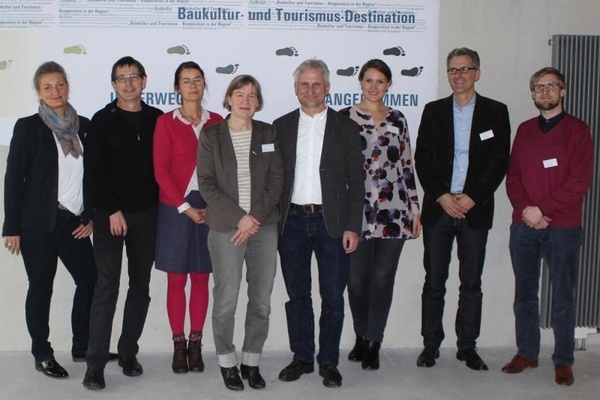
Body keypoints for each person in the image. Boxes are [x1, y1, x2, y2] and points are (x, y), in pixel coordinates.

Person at [414, 47, 510, 371]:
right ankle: (430, 345)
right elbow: (422, 159)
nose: (458, 75)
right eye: (453, 70)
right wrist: (442, 195)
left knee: (471, 284)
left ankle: (467, 346)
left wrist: (471, 197)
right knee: (434, 282)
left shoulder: (496, 112)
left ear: (477, 73)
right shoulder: (434, 111)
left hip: (475, 209)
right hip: (439, 209)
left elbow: (499, 162)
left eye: (465, 69)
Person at [2, 61, 97, 379]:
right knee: (40, 287)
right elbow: (14, 178)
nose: (55, 91)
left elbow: (95, 175)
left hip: (74, 221)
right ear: (39, 92)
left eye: (60, 84)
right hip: (38, 222)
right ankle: (41, 353)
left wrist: (91, 215)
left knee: (90, 280)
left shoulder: (83, 126)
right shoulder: (28, 127)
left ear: (68, 86)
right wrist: (11, 227)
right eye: (48, 87)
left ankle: (82, 348)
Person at [275, 59, 364, 388]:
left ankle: (328, 361)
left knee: (333, 297)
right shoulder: (280, 126)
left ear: (328, 87)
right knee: (297, 296)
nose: (310, 89)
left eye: (317, 84)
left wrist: (353, 226)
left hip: (334, 225)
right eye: (304, 84)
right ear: (296, 88)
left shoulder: (346, 127)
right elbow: (273, 180)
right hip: (292, 223)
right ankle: (302, 358)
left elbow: (357, 182)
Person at [501, 67, 593, 386]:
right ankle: (527, 352)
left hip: (564, 226)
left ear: (562, 91)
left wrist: (543, 209)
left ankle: (563, 360)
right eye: (539, 87)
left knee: (562, 296)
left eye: (551, 86)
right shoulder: (525, 130)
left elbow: (579, 182)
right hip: (524, 225)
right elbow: (513, 177)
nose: (544, 92)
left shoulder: (579, 131)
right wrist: (527, 210)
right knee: (524, 293)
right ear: (532, 93)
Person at [82, 56, 163, 390]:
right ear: (113, 84)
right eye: (122, 78)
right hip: (109, 217)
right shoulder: (101, 121)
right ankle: (95, 365)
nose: (128, 83)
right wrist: (112, 210)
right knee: (106, 288)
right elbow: (94, 175)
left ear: (144, 81)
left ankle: (128, 352)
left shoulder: (158, 119)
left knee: (140, 287)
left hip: (147, 215)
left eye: (134, 77)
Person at [198, 75, 283, 391]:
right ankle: (226, 361)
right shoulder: (211, 136)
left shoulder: (268, 133)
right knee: (226, 301)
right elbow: (206, 184)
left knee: (261, 301)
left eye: (252, 95)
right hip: (225, 228)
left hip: (263, 227)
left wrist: (254, 219)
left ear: (258, 102)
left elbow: (277, 180)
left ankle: (251, 360)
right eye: (239, 94)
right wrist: (240, 218)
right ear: (229, 98)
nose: (246, 100)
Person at [339, 59, 421, 371]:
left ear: (388, 85)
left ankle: (373, 341)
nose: (374, 86)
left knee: (383, 279)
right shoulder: (345, 118)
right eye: (369, 80)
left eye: (381, 81)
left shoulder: (398, 119)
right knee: (357, 281)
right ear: (360, 82)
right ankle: (361, 335)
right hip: (356, 213)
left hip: (394, 211)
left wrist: (415, 209)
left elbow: (407, 167)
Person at [153, 62, 223, 374]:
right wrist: (184, 206)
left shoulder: (217, 121)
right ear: (177, 87)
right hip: (175, 207)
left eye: (197, 80)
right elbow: (161, 171)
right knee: (176, 279)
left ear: (204, 84)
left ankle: (196, 344)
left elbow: (226, 169)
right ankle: (178, 345)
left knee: (201, 277)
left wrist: (215, 204)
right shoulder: (166, 123)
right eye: (185, 80)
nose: (192, 85)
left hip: (210, 208)